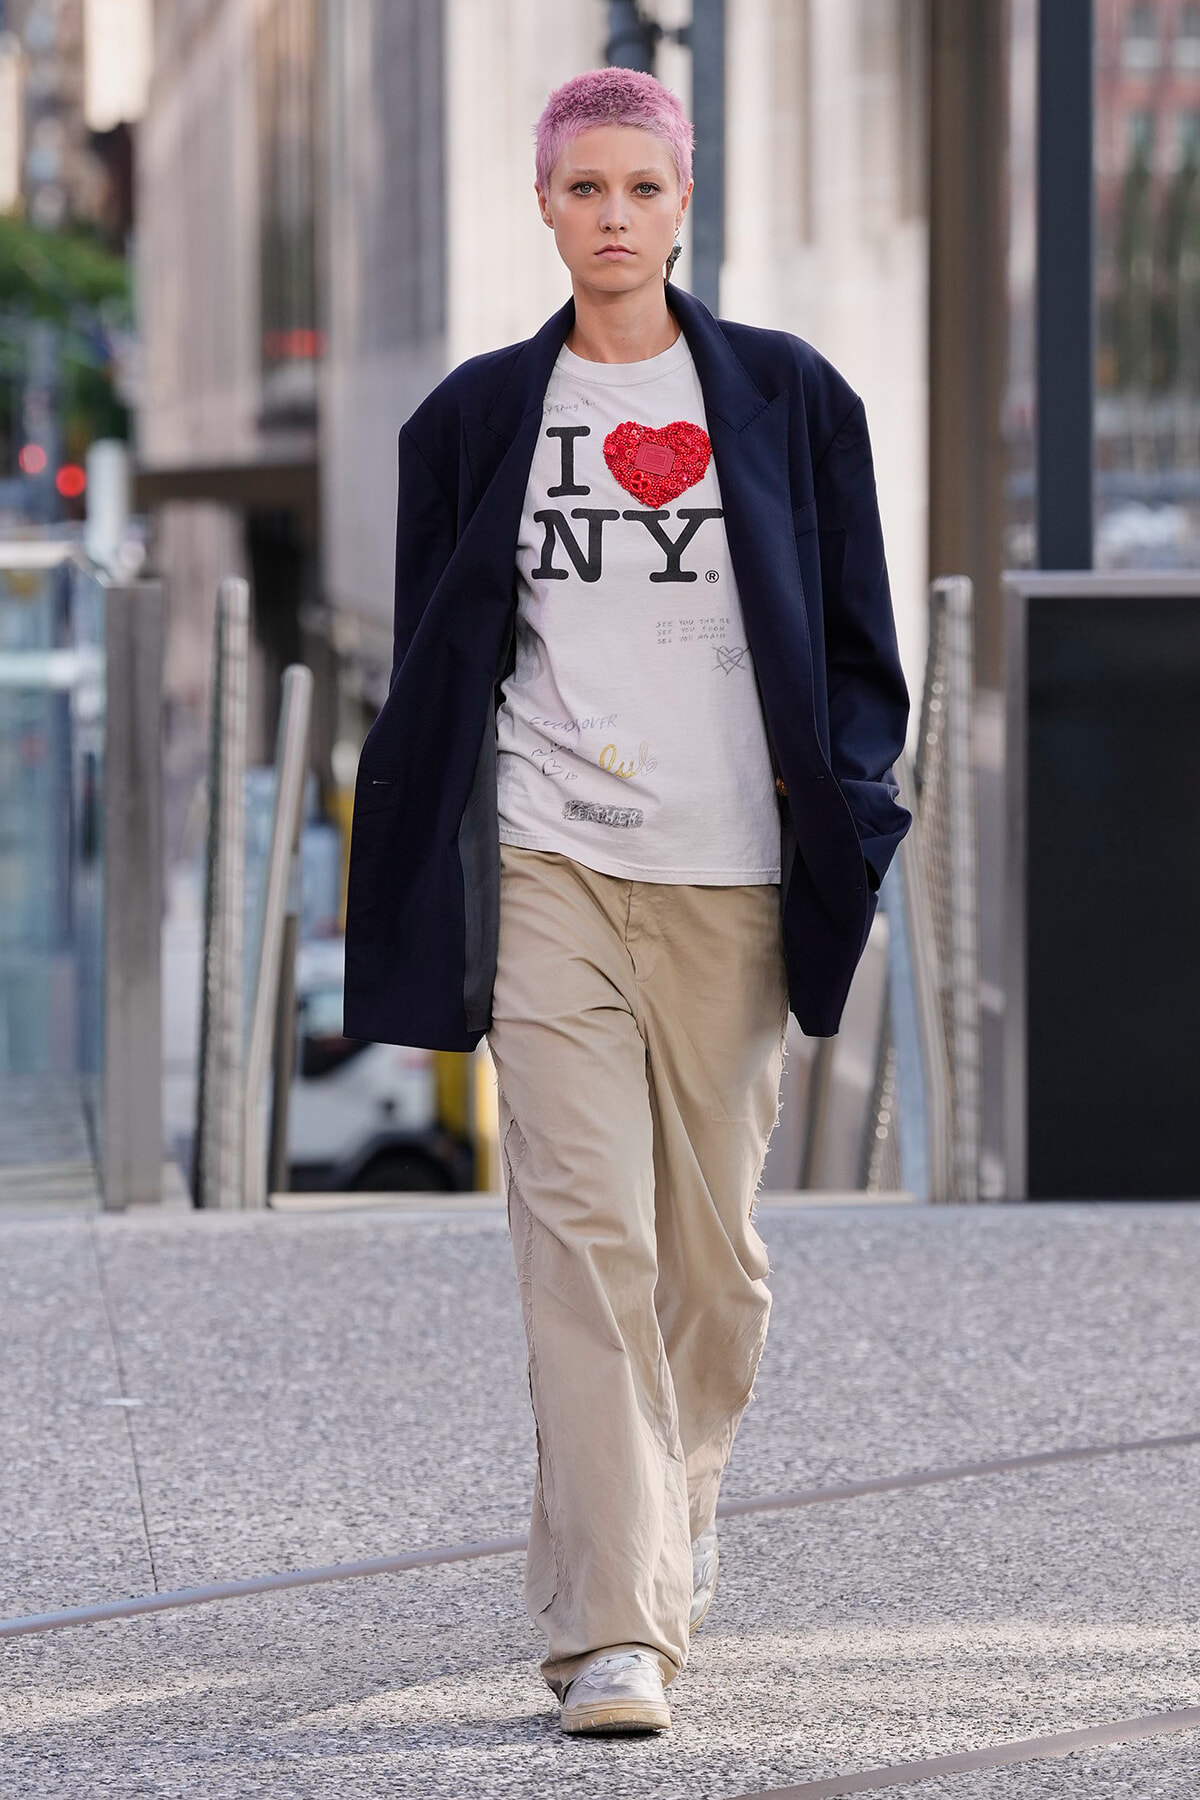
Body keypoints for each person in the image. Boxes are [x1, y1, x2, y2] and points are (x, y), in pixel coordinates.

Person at [343, 66, 911, 1735]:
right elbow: (444, 659)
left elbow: (863, 645)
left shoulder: (794, 401)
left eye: (640, 189)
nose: (612, 215)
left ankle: (675, 1508)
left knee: (713, 1266)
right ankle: (615, 1628)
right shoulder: (466, 422)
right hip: (551, 865)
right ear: (545, 207)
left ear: (684, 202)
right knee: (582, 1240)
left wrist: (856, 806)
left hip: (735, 870)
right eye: (583, 188)